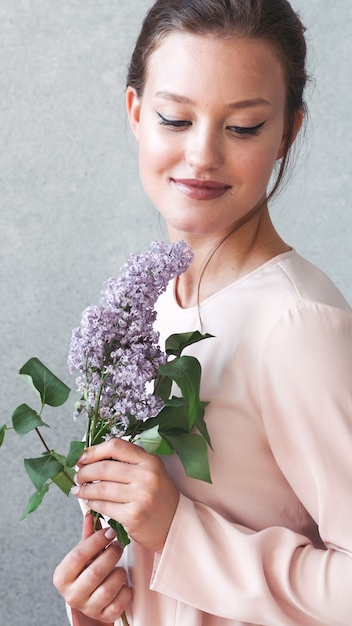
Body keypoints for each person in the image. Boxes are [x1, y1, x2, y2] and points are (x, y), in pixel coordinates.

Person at [53, 0, 352, 624]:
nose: (202, 156)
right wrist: (108, 602)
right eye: (174, 118)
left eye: (242, 127)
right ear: (136, 113)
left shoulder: (297, 326)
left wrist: (177, 531)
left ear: (287, 133)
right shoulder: (157, 308)